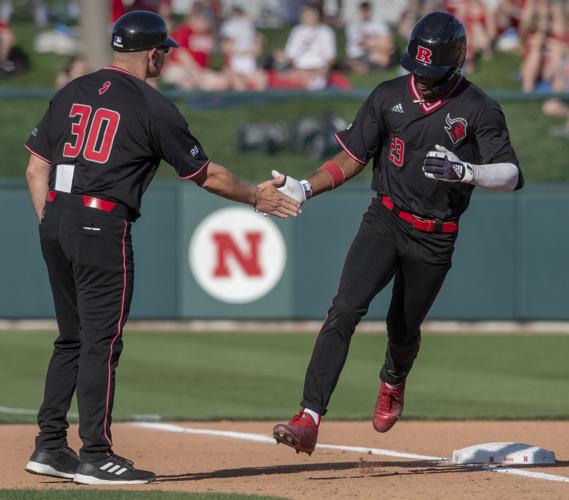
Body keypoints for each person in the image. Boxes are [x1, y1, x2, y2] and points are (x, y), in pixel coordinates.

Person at [23, 10, 299, 485]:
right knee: (100, 343)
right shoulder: (151, 105)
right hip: (101, 223)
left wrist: (52, 225)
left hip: (56, 217)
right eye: (164, 51)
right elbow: (205, 174)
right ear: (153, 54)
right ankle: (94, 454)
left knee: (70, 338)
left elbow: (34, 169)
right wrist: (255, 194)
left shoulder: (73, 90)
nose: (165, 58)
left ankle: (50, 446)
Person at [271, 11, 523, 456]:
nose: (422, 80)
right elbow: (352, 157)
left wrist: (467, 171)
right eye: (418, 70)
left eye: (433, 73)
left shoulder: (480, 108)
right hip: (385, 219)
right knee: (345, 308)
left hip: (436, 234)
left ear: (456, 64)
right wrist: (306, 186)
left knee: (402, 328)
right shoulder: (388, 95)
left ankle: (393, 379)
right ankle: (308, 416)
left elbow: (510, 174)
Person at [272, 3, 336, 90]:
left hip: (318, 70)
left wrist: (321, 71)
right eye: (304, 14)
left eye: (308, 14)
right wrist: (281, 55)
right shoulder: (297, 31)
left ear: (316, 15)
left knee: (316, 83)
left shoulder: (326, 31)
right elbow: (290, 54)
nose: (305, 17)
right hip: (299, 69)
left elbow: (330, 57)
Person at [345, 1, 395, 74]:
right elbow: (361, 43)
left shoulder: (378, 22)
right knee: (381, 56)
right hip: (360, 53)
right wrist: (380, 46)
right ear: (359, 11)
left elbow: (388, 39)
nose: (365, 13)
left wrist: (382, 46)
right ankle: (361, 66)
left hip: (376, 50)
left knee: (385, 50)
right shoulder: (353, 25)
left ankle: (364, 67)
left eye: (367, 10)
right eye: (363, 11)